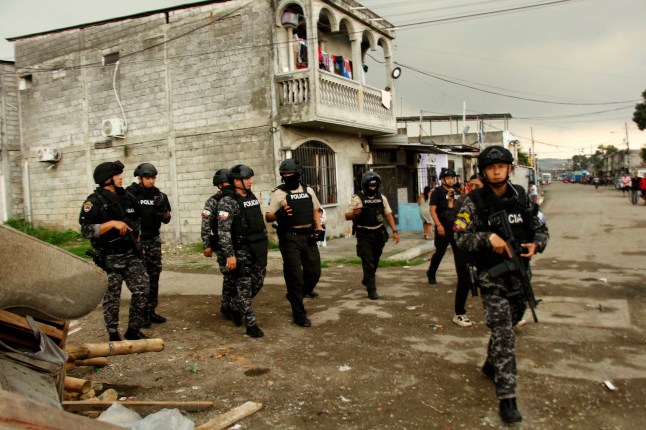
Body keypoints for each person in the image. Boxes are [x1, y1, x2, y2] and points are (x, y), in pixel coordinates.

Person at [454, 146, 549, 423]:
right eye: (490, 168)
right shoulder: (473, 202)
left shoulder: (521, 197)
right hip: (491, 276)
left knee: (513, 319)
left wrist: (536, 245)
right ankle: (507, 397)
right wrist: (487, 238)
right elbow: (459, 236)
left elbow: (541, 227)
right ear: (484, 172)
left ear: (509, 169)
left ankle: (490, 363)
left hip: (519, 274)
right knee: (504, 332)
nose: (496, 172)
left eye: (501, 167)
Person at [79, 160, 149, 341]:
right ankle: (113, 333)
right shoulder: (94, 202)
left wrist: (137, 238)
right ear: (106, 179)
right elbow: (85, 230)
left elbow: (136, 219)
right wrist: (111, 224)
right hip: (109, 256)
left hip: (131, 253)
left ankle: (133, 329)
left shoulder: (127, 197)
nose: (121, 178)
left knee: (142, 289)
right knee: (112, 297)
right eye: (117, 175)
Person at [266, 159, 323, 327]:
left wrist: (318, 227)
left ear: (298, 175)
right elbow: (268, 217)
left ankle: (295, 295)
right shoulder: (278, 193)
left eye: (291, 174)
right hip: (289, 237)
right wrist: (279, 214)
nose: (288, 177)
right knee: (295, 276)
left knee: (314, 272)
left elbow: (315, 210)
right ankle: (299, 313)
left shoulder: (308, 190)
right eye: (285, 175)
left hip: (308, 236)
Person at [217, 165, 268, 338]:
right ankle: (251, 325)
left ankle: (232, 305)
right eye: (247, 179)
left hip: (256, 247)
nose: (250, 181)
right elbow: (223, 231)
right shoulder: (227, 201)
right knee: (244, 286)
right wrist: (230, 255)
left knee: (258, 281)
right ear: (237, 181)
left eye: (250, 178)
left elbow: (258, 221)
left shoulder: (251, 197)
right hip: (240, 250)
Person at [126, 163, 171, 328]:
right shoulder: (131, 194)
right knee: (141, 279)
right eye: (147, 178)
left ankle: (151, 310)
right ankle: (141, 313)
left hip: (153, 239)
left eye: (153, 178)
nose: (151, 181)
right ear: (140, 178)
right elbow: (127, 218)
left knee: (154, 276)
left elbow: (167, 219)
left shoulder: (158, 195)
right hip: (138, 240)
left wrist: (163, 209)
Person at [345, 171, 400, 300]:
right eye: (370, 186)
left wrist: (395, 231)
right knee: (368, 261)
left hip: (379, 233)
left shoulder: (382, 198)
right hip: (364, 234)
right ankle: (371, 289)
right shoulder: (357, 198)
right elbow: (347, 216)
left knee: (375, 259)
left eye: (374, 186)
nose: (372, 188)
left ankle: (367, 279)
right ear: (365, 186)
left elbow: (388, 214)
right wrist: (354, 213)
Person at [201, 168, 242, 326]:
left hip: (238, 244)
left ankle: (232, 305)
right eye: (225, 183)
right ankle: (228, 306)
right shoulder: (213, 201)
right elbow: (206, 223)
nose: (228, 185)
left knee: (236, 277)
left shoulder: (235, 198)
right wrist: (206, 245)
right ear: (219, 185)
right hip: (222, 244)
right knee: (230, 276)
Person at [444, 174, 483, 327]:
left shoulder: (490, 201)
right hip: (464, 245)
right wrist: (451, 203)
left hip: (484, 245)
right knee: (464, 278)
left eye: (477, 186)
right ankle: (459, 313)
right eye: (470, 185)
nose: (473, 188)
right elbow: (452, 220)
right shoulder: (463, 200)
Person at [426, 168, 460, 285]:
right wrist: (439, 225)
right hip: (443, 225)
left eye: (452, 178)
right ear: (442, 180)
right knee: (440, 252)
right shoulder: (437, 192)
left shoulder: (457, 191)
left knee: (459, 253)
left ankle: (461, 277)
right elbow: (432, 210)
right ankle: (431, 273)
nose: (451, 180)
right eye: (448, 178)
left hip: (456, 226)